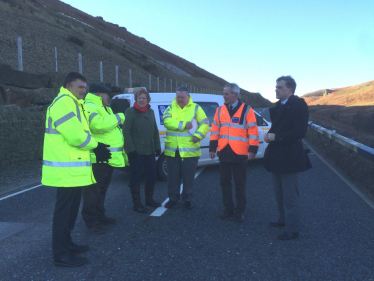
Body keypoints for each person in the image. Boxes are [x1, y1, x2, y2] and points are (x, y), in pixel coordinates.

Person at [42, 72, 111, 267]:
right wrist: (96, 146)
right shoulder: (64, 102)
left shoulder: (74, 103)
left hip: (71, 171)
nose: (84, 90)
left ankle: (67, 244)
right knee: (63, 212)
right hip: (64, 171)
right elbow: (75, 135)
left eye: (85, 87)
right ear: (68, 86)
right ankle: (61, 255)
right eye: (80, 87)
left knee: (70, 211)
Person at [264, 75, 312, 240]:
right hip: (277, 154)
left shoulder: (299, 105)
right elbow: (279, 127)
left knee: (290, 194)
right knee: (279, 192)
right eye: (276, 87)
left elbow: (300, 132)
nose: (276, 90)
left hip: (290, 155)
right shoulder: (279, 106)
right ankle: (283, 220)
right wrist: (271, 135)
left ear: (289, 89)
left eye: (279, 87)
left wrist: (276, 137)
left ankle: (292, 229)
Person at [209, 83, 259, 222]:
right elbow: (215, 131)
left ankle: (240, 210)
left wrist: (253, 150)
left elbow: (253, 131)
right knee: (224, 182)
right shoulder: (219, 110)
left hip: (240, 153)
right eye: (223, 93)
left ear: (235, 95)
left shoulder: (246, 110)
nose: (223, 96)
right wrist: (212, 148)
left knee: (240, 183)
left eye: (226, 94)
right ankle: (228, 208)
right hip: (224, 151)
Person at [81, 83, 126, 234]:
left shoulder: (103, 108)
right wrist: (119, 116)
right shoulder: (91, 106)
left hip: (107, 158)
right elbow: (97, 125)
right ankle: (91, 221)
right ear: (99, 94)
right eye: (107, 95)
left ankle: (99, 215)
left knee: (101, 191)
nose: (109, 98)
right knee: (93, 192)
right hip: (97, 159)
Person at [163, 86, 209, 210]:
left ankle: (188, 199)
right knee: (172, 177)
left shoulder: (196, 108)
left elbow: (205, 123)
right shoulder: (171, 107)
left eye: (182, 97)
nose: (180, 99)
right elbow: (166, 121)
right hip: (173, 150)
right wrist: (184, 125)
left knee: (189, 177)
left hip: (190, 150)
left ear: (188, 97)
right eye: (178, 97)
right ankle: (173, 199)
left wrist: (199, 135)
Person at [123, 88, 161, 213]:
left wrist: (157, 146)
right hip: (136, 152)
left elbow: (155, 130)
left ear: (148, 99)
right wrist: (131, 149)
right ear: (136, 99)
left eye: (144, 98)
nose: (141, 100)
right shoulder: (130, 111)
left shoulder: (150, 111)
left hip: (149, 150)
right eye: (139, 98)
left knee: (152, 176)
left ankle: (149, 199)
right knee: (136, 177)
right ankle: (137, 203)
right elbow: (126, 131)